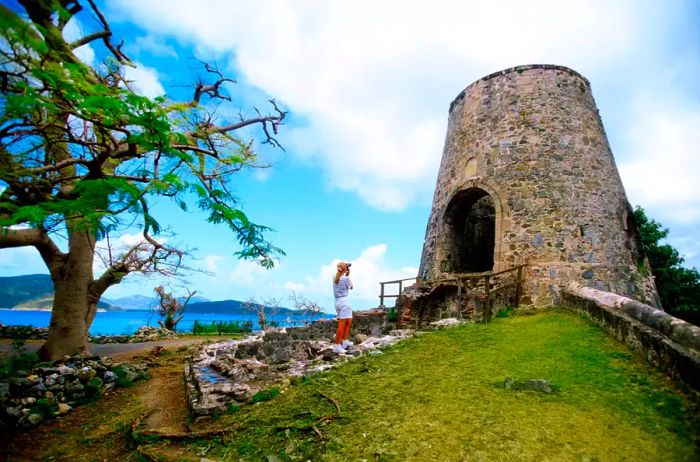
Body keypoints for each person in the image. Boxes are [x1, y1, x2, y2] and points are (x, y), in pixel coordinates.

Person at [333, 261, 354, 353]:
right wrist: (348, 273)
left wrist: (346, 272)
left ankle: (345, 341)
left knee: (348, 322)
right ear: (345, 269)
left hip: (337, 302)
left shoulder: (335, 277)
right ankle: (337, 346)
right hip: (345, 302)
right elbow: (352, 287)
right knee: (342, 325)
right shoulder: (346, 278)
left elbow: (341, 277)